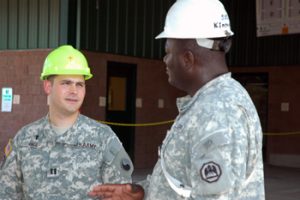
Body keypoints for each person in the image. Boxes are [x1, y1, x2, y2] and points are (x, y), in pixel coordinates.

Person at [88, 0, 265, 199]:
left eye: (167, 52)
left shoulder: (216, 112)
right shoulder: (209, 103)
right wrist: (143, 192)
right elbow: (185, 184)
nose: (165, 60)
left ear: (187, 59)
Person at [0, 45, 133, 200]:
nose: (74, 91)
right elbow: (7, 193)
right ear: (48, 86)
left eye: (79, 84)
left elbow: (122, 194)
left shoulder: (103, 138)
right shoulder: (24, 139)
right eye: (66, 83)